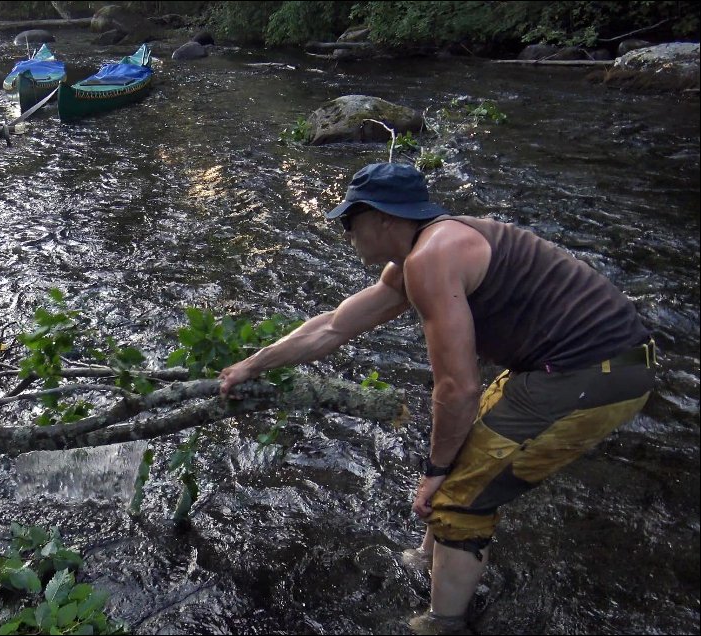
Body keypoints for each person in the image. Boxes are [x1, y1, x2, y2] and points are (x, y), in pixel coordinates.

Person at [217, 162, 656, 635]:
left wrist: (434, 474)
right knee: (463, 456)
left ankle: (442, 623)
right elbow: (334, 325)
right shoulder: (423, 253)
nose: (346, 235)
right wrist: (252, 365)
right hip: (585, 364)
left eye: (350, 222)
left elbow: (457, 388)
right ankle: (431, 557)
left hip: (595, 373)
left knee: (460, 497)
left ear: (384, 218)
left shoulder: (431, 260)